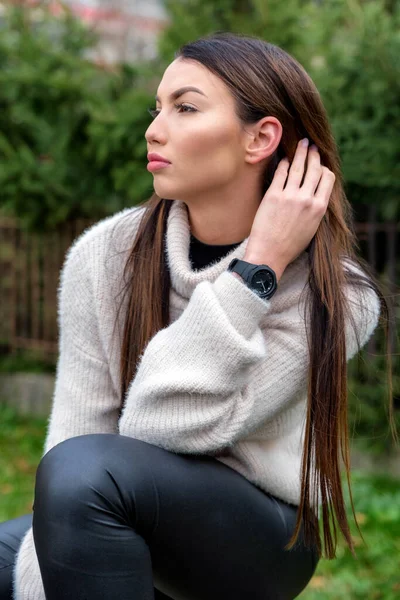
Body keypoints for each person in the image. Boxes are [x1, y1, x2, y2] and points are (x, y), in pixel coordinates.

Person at [0, 32, 391, 600]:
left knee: (86, 477)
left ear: (262, 138)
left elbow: (165, 425)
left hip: (262, 530)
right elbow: (73, 439)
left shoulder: (337, 295)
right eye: (156, 108)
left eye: (184, 108)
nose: (153, 129)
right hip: (105, 494)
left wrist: (259, 267)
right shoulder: (103, 257)